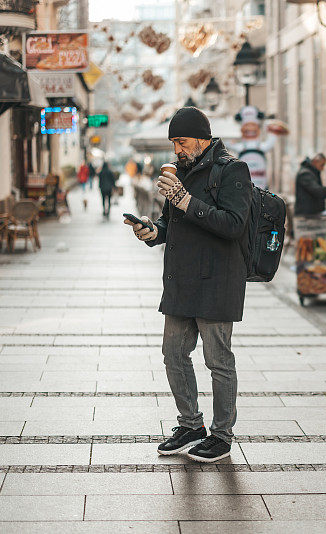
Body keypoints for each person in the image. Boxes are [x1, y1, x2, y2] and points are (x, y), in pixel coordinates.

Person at [124, 106, 252, 463]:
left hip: (216, 281)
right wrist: (151, 232)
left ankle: (222, 435)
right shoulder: (179, 172)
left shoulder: (233, 170)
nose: (177, 150)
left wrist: (185, 199)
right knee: (173, 355)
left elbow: (233, 224)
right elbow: (170, 223)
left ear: (202, 137)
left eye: (181, 141)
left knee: (218, 360)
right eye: (173, 143)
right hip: (181, 281)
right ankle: (191, 425)